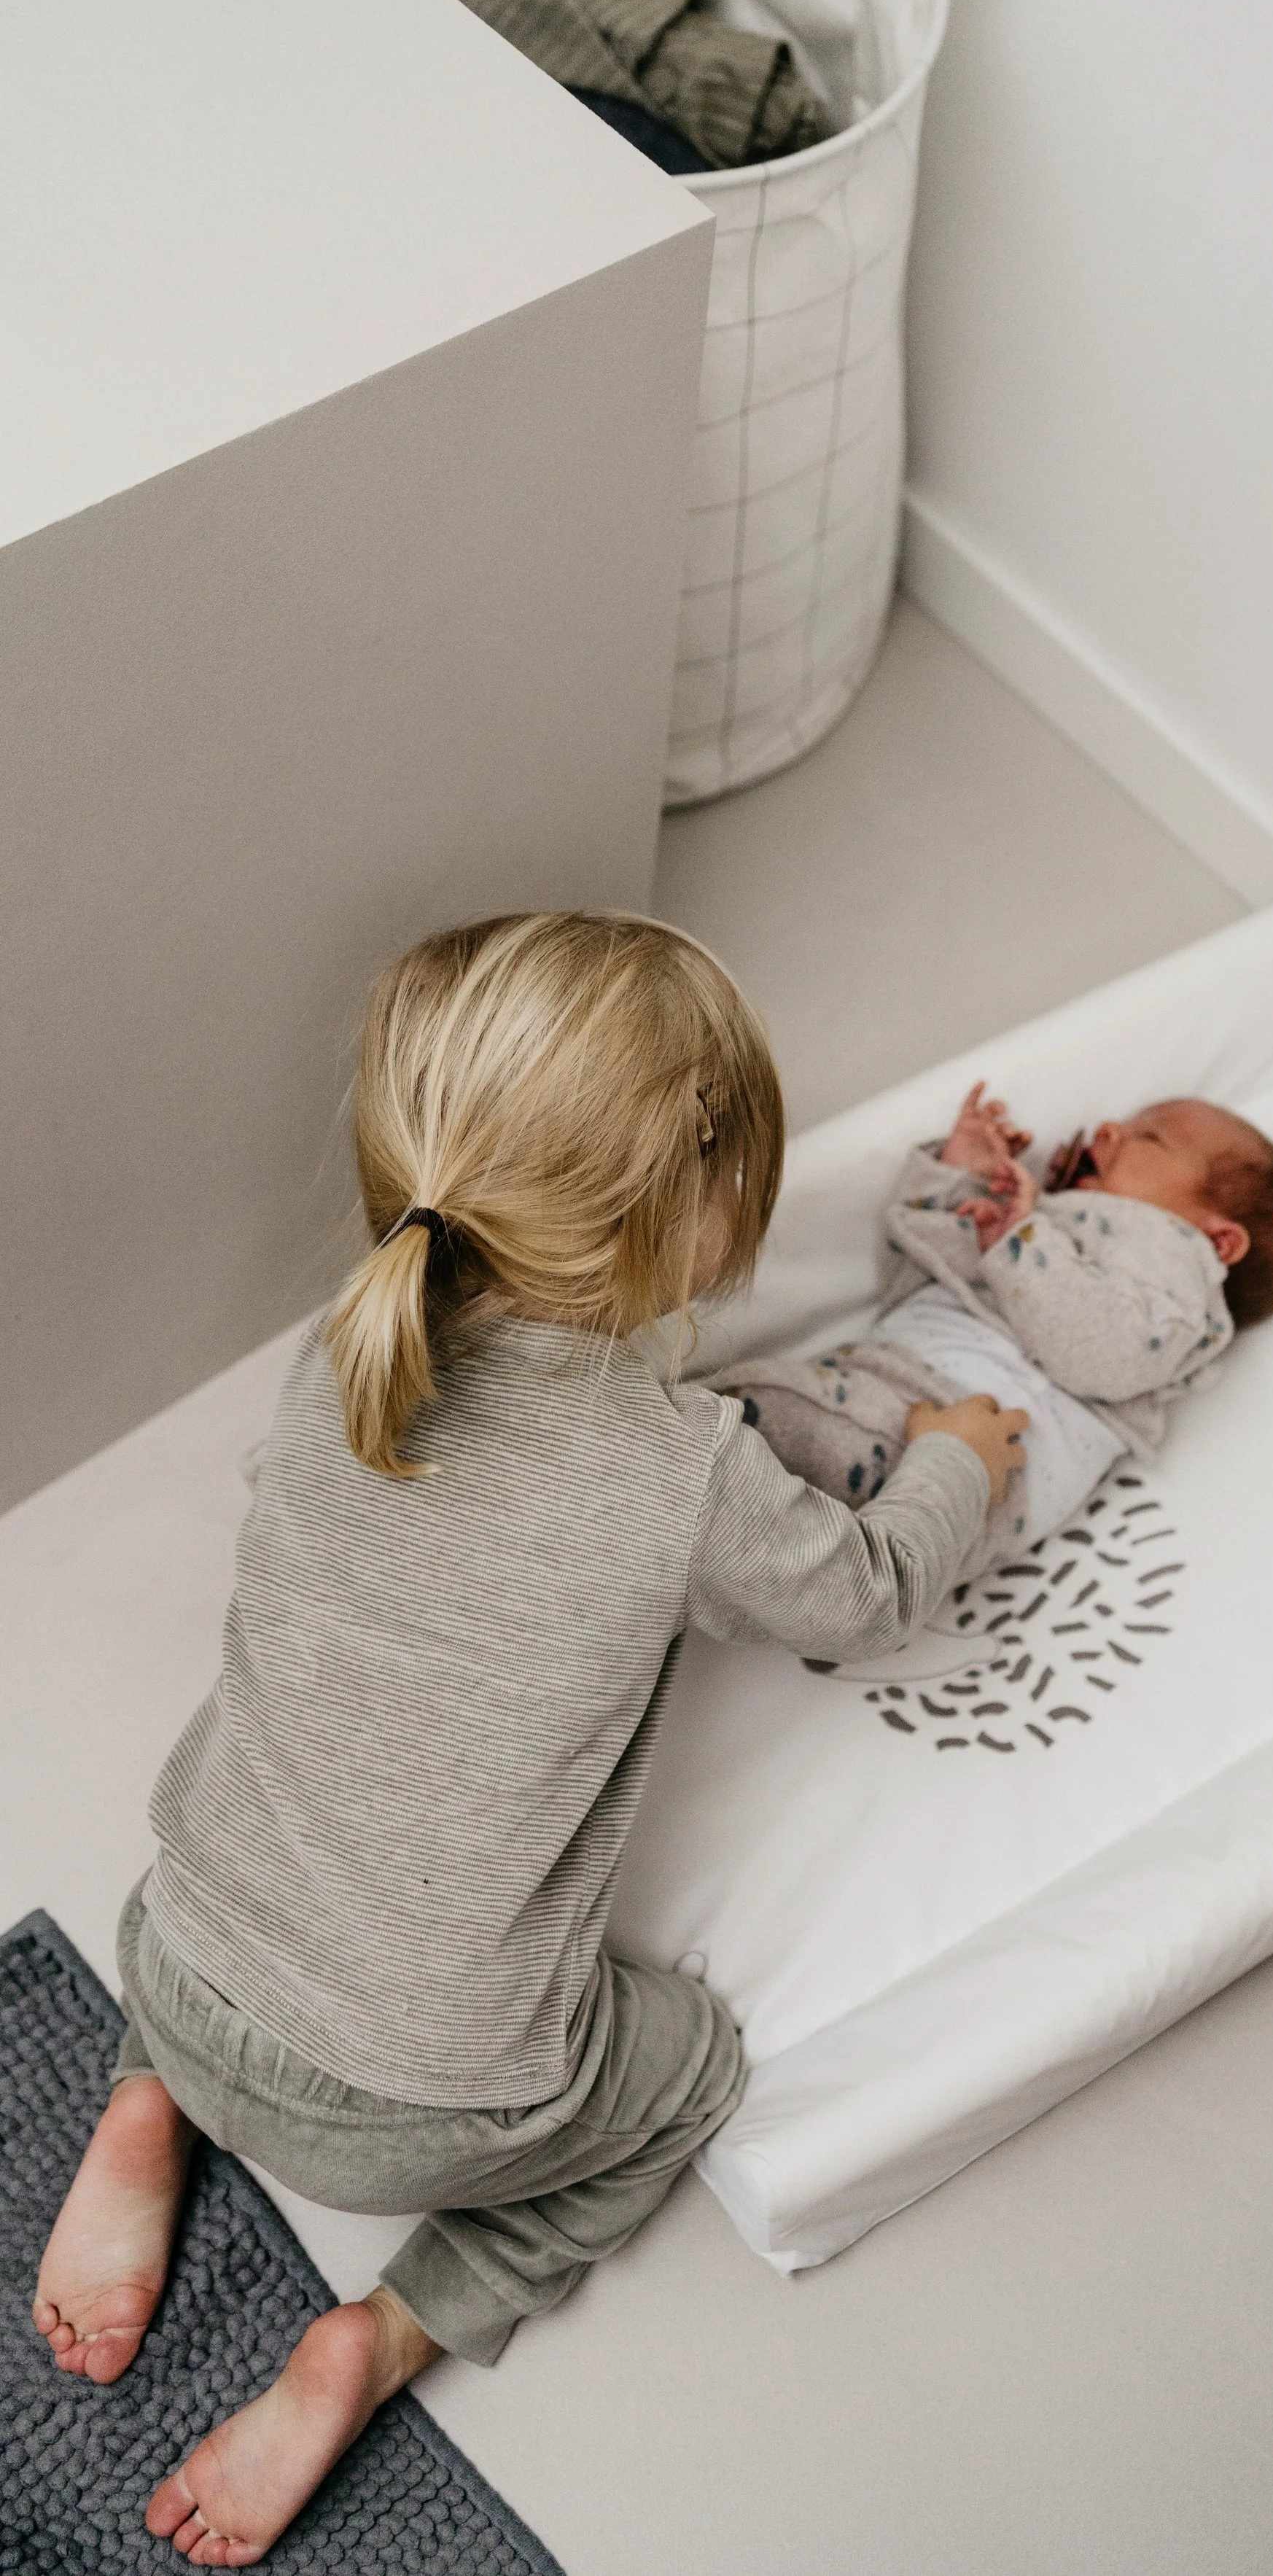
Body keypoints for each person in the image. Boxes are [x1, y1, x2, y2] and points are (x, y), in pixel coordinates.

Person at [32, 911, 1024, 2567]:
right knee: (686, 2063)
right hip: (417, 2118)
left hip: (187, 1949)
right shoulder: (683, 1468)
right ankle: (392, 2330)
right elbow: (865, 1592)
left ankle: (153, 2094)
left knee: (242, 1829)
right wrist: (961, 1453)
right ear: (694, 1215)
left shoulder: (345, 1351)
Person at [718, 1080, 1273, 1575]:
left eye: (1147, 1138)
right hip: (880, 1392)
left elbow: (1095, 1352)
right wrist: (961, 1176)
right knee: (739, 1467)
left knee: (731, 1425)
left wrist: (1019, 1237)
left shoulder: (1176, 1279)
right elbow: (924, 1271)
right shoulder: (1038, 1227)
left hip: (959, 1454)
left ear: (1219, 1239)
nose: (1107, 1128)